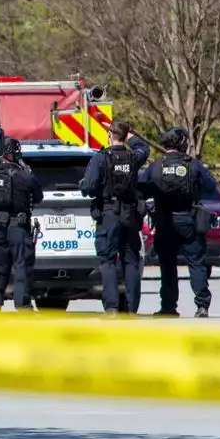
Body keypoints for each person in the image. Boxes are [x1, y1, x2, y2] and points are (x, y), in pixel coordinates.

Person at [137, 126, 219, 318]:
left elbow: (141, 190)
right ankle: (202, 306)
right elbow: (211, 186)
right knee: (196, 264)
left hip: (165, 222)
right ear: (182, 143)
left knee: (167, 267)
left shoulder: (156, 166)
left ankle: (168, 307)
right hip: (189, 220)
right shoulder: (193, 164)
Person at [79, 120, 151, 315]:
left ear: (110, 135)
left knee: (107, 260)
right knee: (131, 260)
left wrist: (84, 185)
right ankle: (132, 308)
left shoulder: (101, 158)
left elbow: (88, 186)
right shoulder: (133, 157)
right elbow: (144, 148)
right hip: (129, 214)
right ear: (125, 136)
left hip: (109, 213)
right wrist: (130, 135)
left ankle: (111, 306)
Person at [0, 136, 44, 310]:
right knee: (21, 266)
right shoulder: (23, 175)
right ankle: (22, 305)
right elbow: (39, 197)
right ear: (12, 153)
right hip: (18, 226)